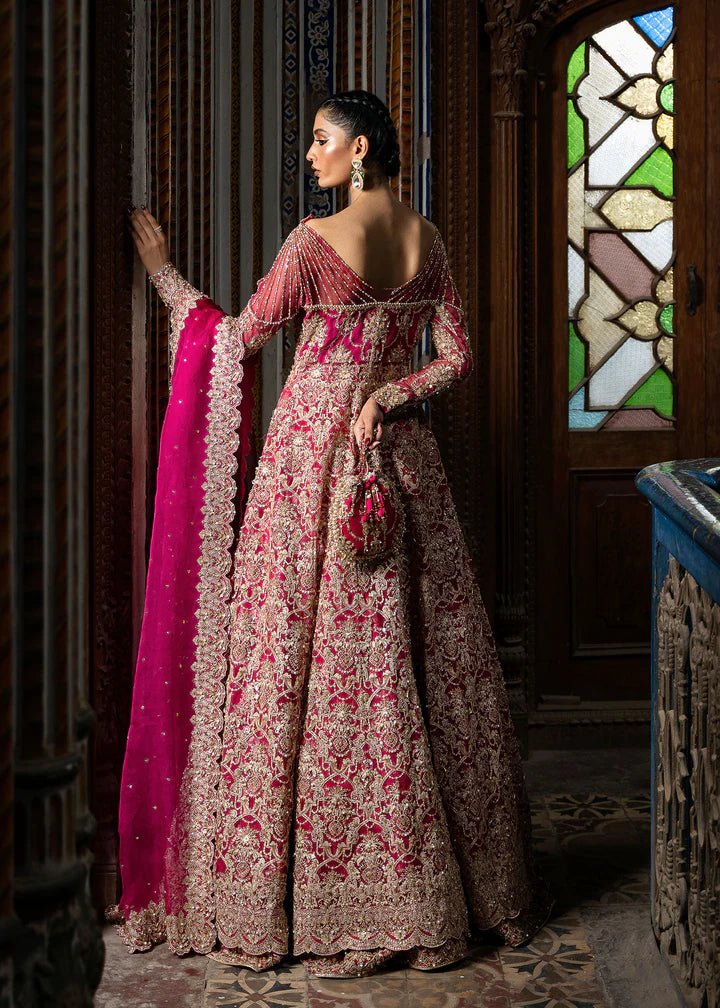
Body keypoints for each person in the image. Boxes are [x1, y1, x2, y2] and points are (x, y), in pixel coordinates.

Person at [108, 89, 553, 979]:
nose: (309, 156)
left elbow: (236, 342)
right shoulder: (427, 239)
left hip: (313, 461)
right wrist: (390, 394)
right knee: (411, 671)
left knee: (313, 675)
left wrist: (166, 282)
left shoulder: (312, 245)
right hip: (404, 463)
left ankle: (325, 904)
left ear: (360, 150)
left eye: (320, 140)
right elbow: (457, 357)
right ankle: (444, 894)